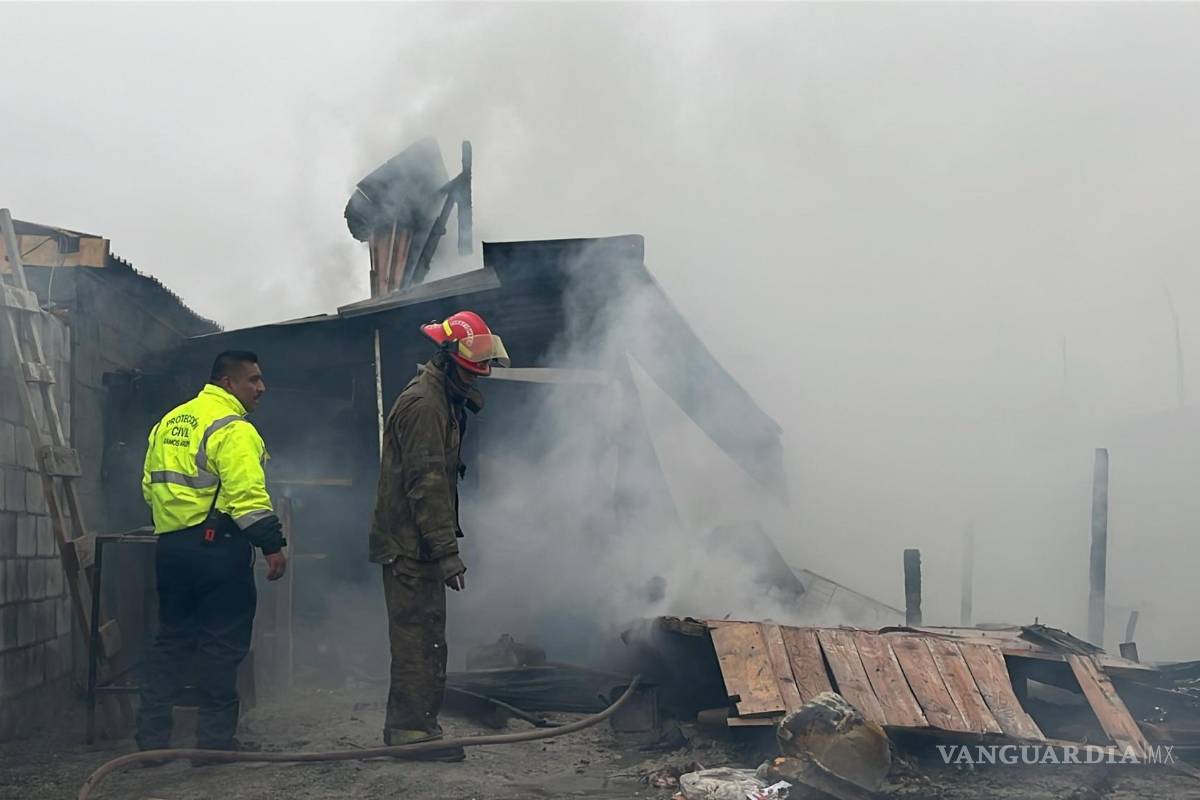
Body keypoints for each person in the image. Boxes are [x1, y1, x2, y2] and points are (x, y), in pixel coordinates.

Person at [370, 311, 509, 760]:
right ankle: (411, 733)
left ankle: (419, 727)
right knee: (417, 636)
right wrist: (447, 551)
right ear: (447, 359)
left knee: (428, 633)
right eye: (470, 369)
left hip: (419, 543)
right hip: (411, 546)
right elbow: (426, 483)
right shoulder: (425, 405)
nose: (476, 378)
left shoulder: (441, 399)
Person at [135, 350, 288, 755]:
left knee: (171, 641)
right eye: (253, 380)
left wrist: (175, 523)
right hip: (217, 548)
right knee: (221, 644)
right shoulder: (233, 428)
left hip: (170, 547)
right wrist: (272, 545)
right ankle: (214, 745)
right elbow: (247, 498)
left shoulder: (169, 422)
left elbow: (149, 487)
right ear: (227, 382)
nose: (261, 388)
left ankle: (151, 743)